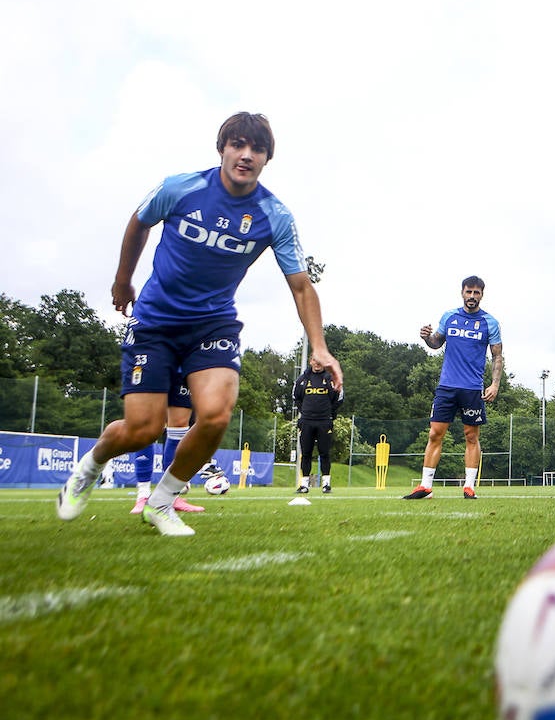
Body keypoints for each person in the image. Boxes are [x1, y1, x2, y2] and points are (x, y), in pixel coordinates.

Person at [55, 112, 342, 536]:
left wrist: (319, 346)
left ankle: (163, 500)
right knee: (143, 429)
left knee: (215, 413)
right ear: (222, 148)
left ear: (267, 158)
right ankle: (91, 465)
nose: (246, 155)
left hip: (212, 325)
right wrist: (122, 280)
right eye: (238, 144)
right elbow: (139, 220)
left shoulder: (274, 215)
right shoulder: (181, 187)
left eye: (256, 149)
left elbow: (301, 286)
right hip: (155, 323)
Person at [403, 275, 502, 500]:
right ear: (462, 293)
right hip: (446, 386)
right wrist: (427, 338)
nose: (472, 296)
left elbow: (497, 356)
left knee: (471, 436)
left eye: (477, 293)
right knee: (435, 433)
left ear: (482, 295)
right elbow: (437, 343)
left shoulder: (490, 323)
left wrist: (495, 384)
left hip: (472, 388)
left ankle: (469, 487)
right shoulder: (449, 317)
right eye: (469, 292)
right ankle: (425, 486)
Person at [129, 377, 204, 514]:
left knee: (180, 424)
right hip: (155, 361)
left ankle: (171, 497)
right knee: (147, 424)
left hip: (182, 365)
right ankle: (143, 495)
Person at [293, 359, 344, 494]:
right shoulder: (302, 379)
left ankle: (326, 484)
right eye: (315, 361)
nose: (317, 363)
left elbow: (339, 398)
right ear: (310, 361)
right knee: (306, 453)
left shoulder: (330, 379)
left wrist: (329, 413)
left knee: (325, 453)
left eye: (320, 361)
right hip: (306, 422)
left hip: (324, 422)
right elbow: (296, 397)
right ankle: (304, 485)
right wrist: (304, 411)